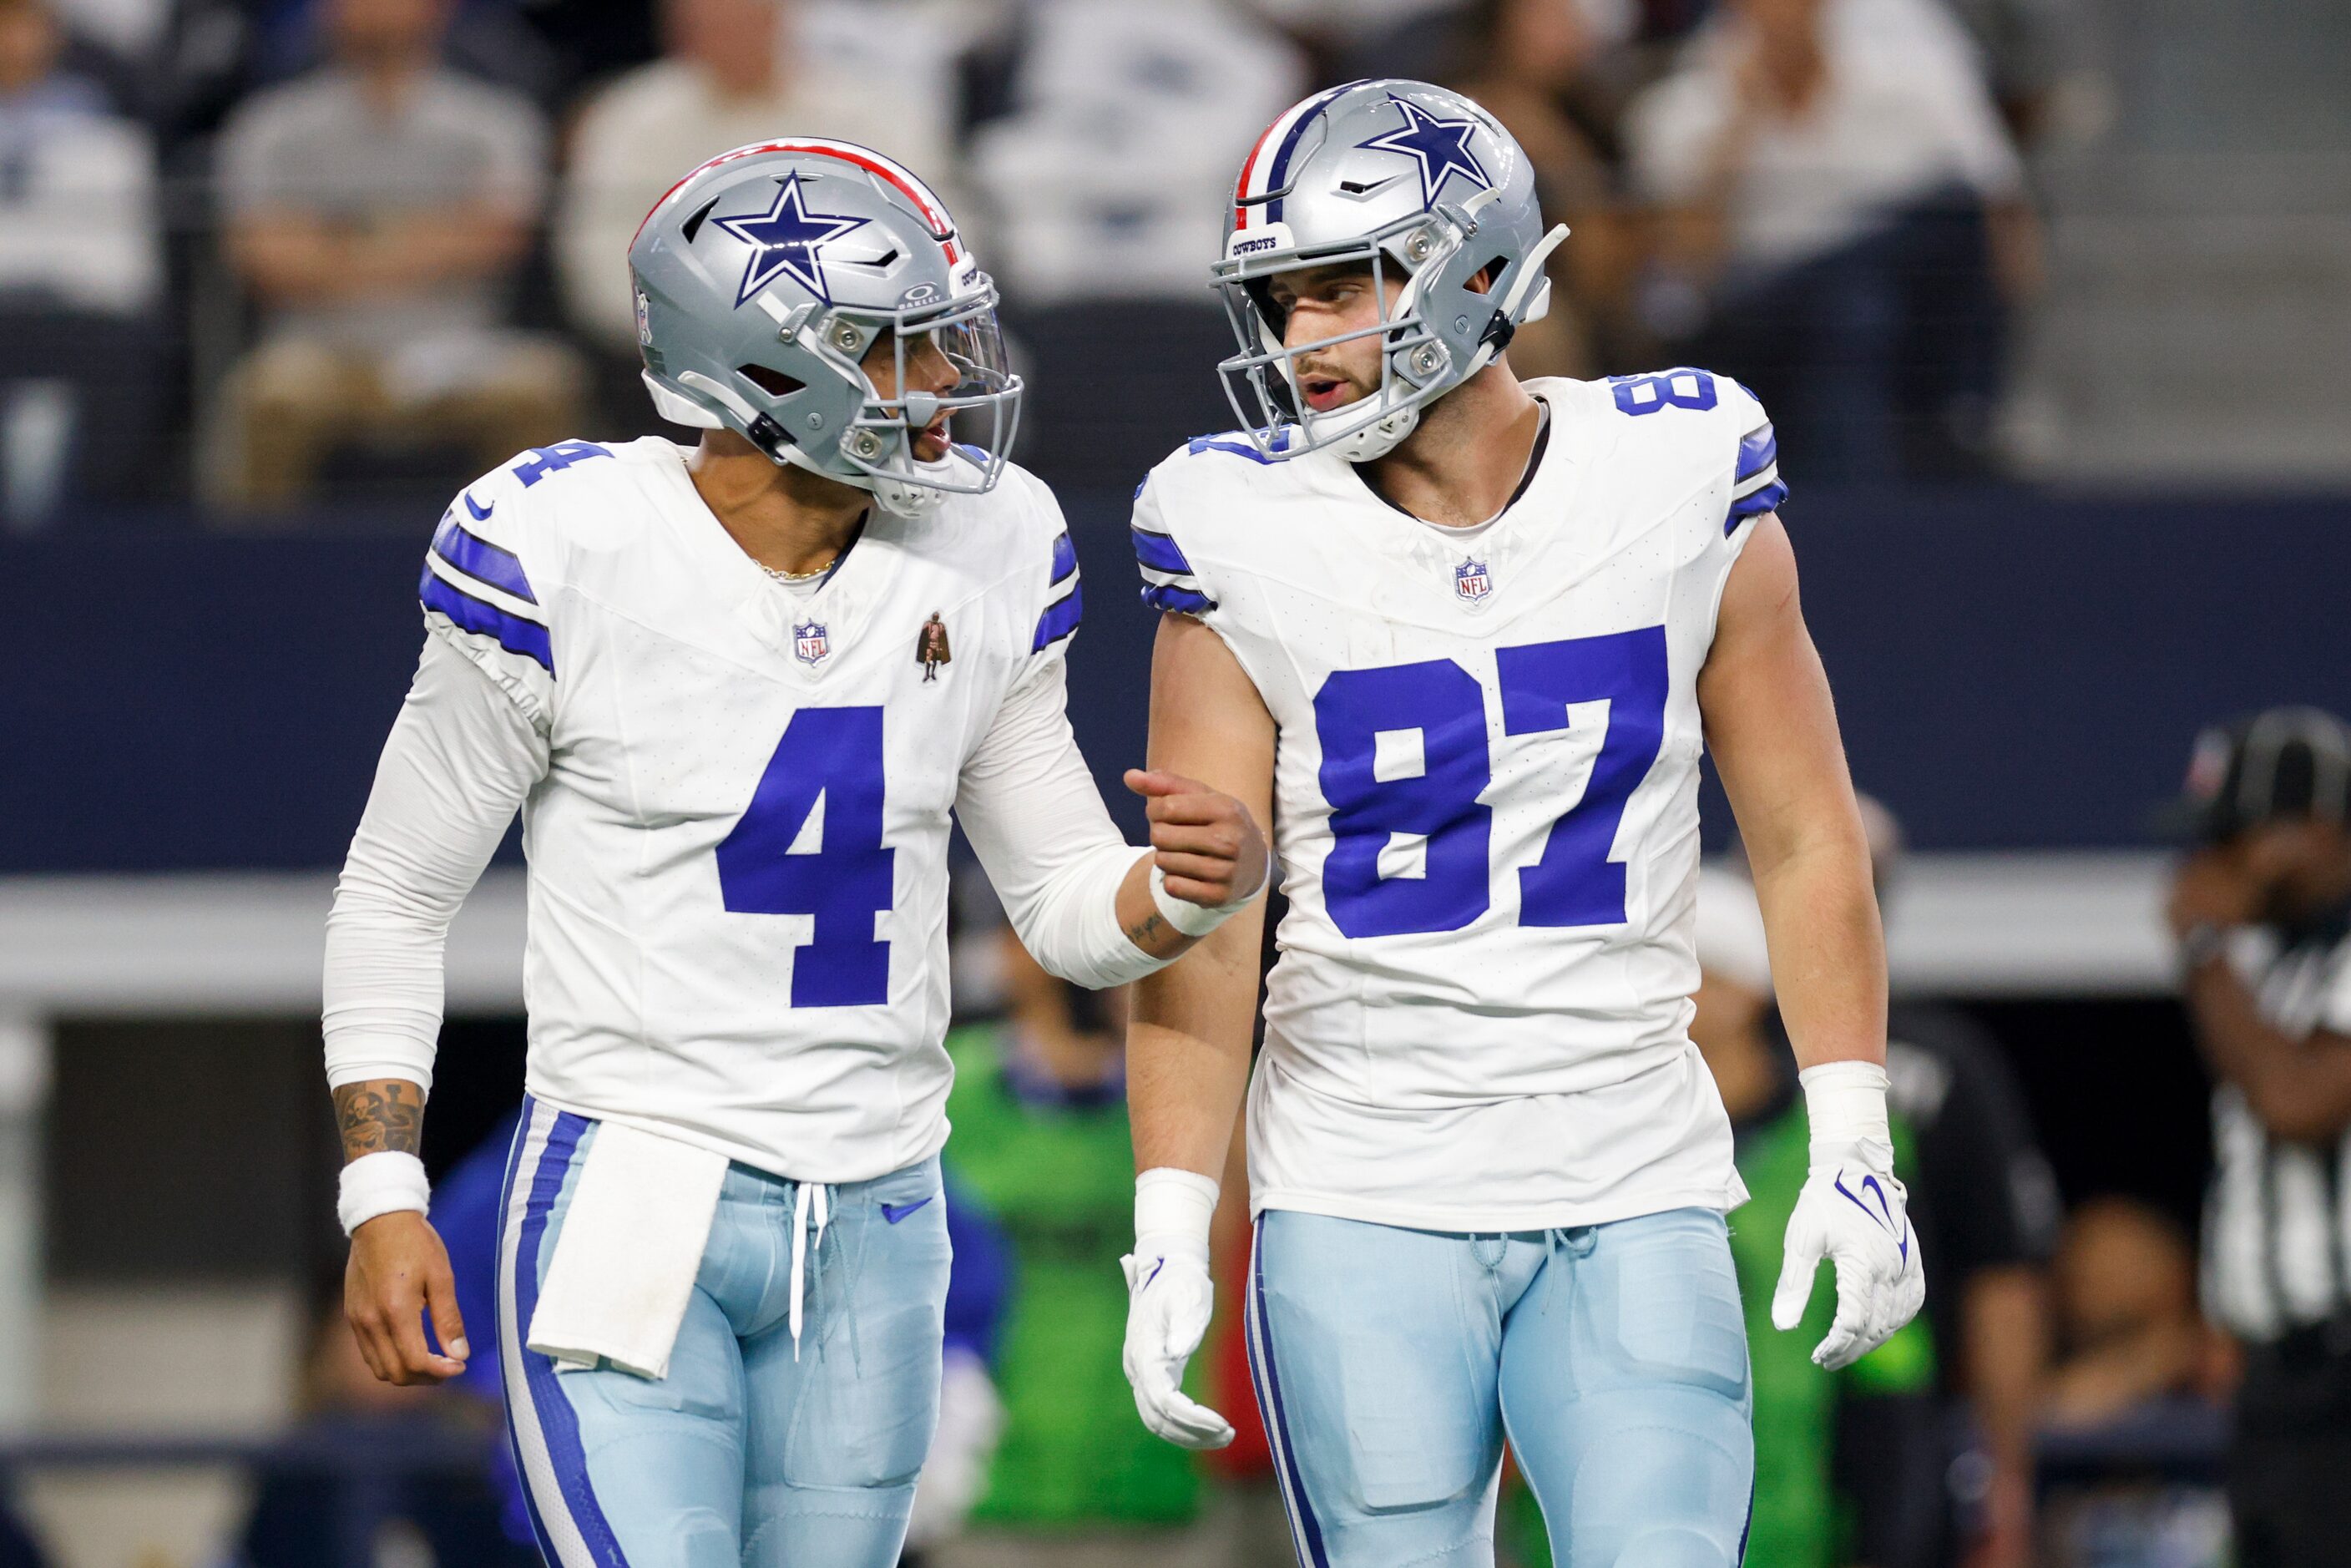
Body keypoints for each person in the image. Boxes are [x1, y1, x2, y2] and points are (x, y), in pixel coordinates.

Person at [320, 140, 1271, 1566]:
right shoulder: (566, 545)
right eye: (898, 352)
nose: (947, 384)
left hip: (882, 1199)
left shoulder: (990, 541)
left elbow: (1070, 909)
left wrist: (1184, 883)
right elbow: (397, 893)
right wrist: (384, 1195)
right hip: (634, 1183)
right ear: (760, 367)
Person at [1118, 78, 1924, 1567]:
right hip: (1360, 1191)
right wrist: (1172, 1211)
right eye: (1280, 300)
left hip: (1633, 1173)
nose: (1298, 340)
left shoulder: (1675, 470)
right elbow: (1202, 917)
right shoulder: (1233, 523)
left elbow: (1809, 833)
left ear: (1473, 268)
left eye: (1338, 287)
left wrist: (1852, 1134)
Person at [1624, 0, 2036, 478]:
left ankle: (1862, 503)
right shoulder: (1682, 111)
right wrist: (1741, 122)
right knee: (1933, 229)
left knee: (1857, 308)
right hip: (1747, 314)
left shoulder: (1896, 91)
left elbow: (2006, 235)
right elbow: (1686, 264)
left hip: (1859, 316)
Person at [207, 0, 579, 513]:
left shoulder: (495, 121)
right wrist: (435, 240)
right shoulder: (270, 125)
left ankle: (522, 579)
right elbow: (264, 256)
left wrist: (335, 244)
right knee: (268, 394)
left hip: (459, 352)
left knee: (538, 384)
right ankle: (247, 582)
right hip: (319, 353)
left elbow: (499, 236)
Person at [936, 924, 1214, 1566]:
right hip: (988, 1488)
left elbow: (1240, 1220)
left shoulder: (1184, 1089)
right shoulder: (951, 1085)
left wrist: (1154, 1031)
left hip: (1150, 1485)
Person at [2161, 706, 2351, 1568]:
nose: (2212, 865)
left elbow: (2295, 1101)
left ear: (2310, 830)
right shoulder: (2276, 964)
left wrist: (2202, 946)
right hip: (2279, 1385)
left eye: (2234, 837)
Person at [1859, 795, 2060, 1568]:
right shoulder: (1700, 1040)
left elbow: (2001, 1278)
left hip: (1894, 1434)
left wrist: (2005, 1486)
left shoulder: (1945, 1067)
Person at [554, 0, 958, 363]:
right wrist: (705, 330)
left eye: (745, 22)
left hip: (860, 344)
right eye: (708, 26)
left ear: (781, 21)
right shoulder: (629, 118)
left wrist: (845, 326)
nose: (730, 40)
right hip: (684, 357)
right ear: (676, 31)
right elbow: (599, 256)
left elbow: (935, 231)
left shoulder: (875, 113)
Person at [0, 0, 159, 523]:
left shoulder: (106, 139)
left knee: (120, 346)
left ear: (52, 34)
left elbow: (124, 273)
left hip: (78, 325)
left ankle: (89, 533)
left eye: (20, 22)